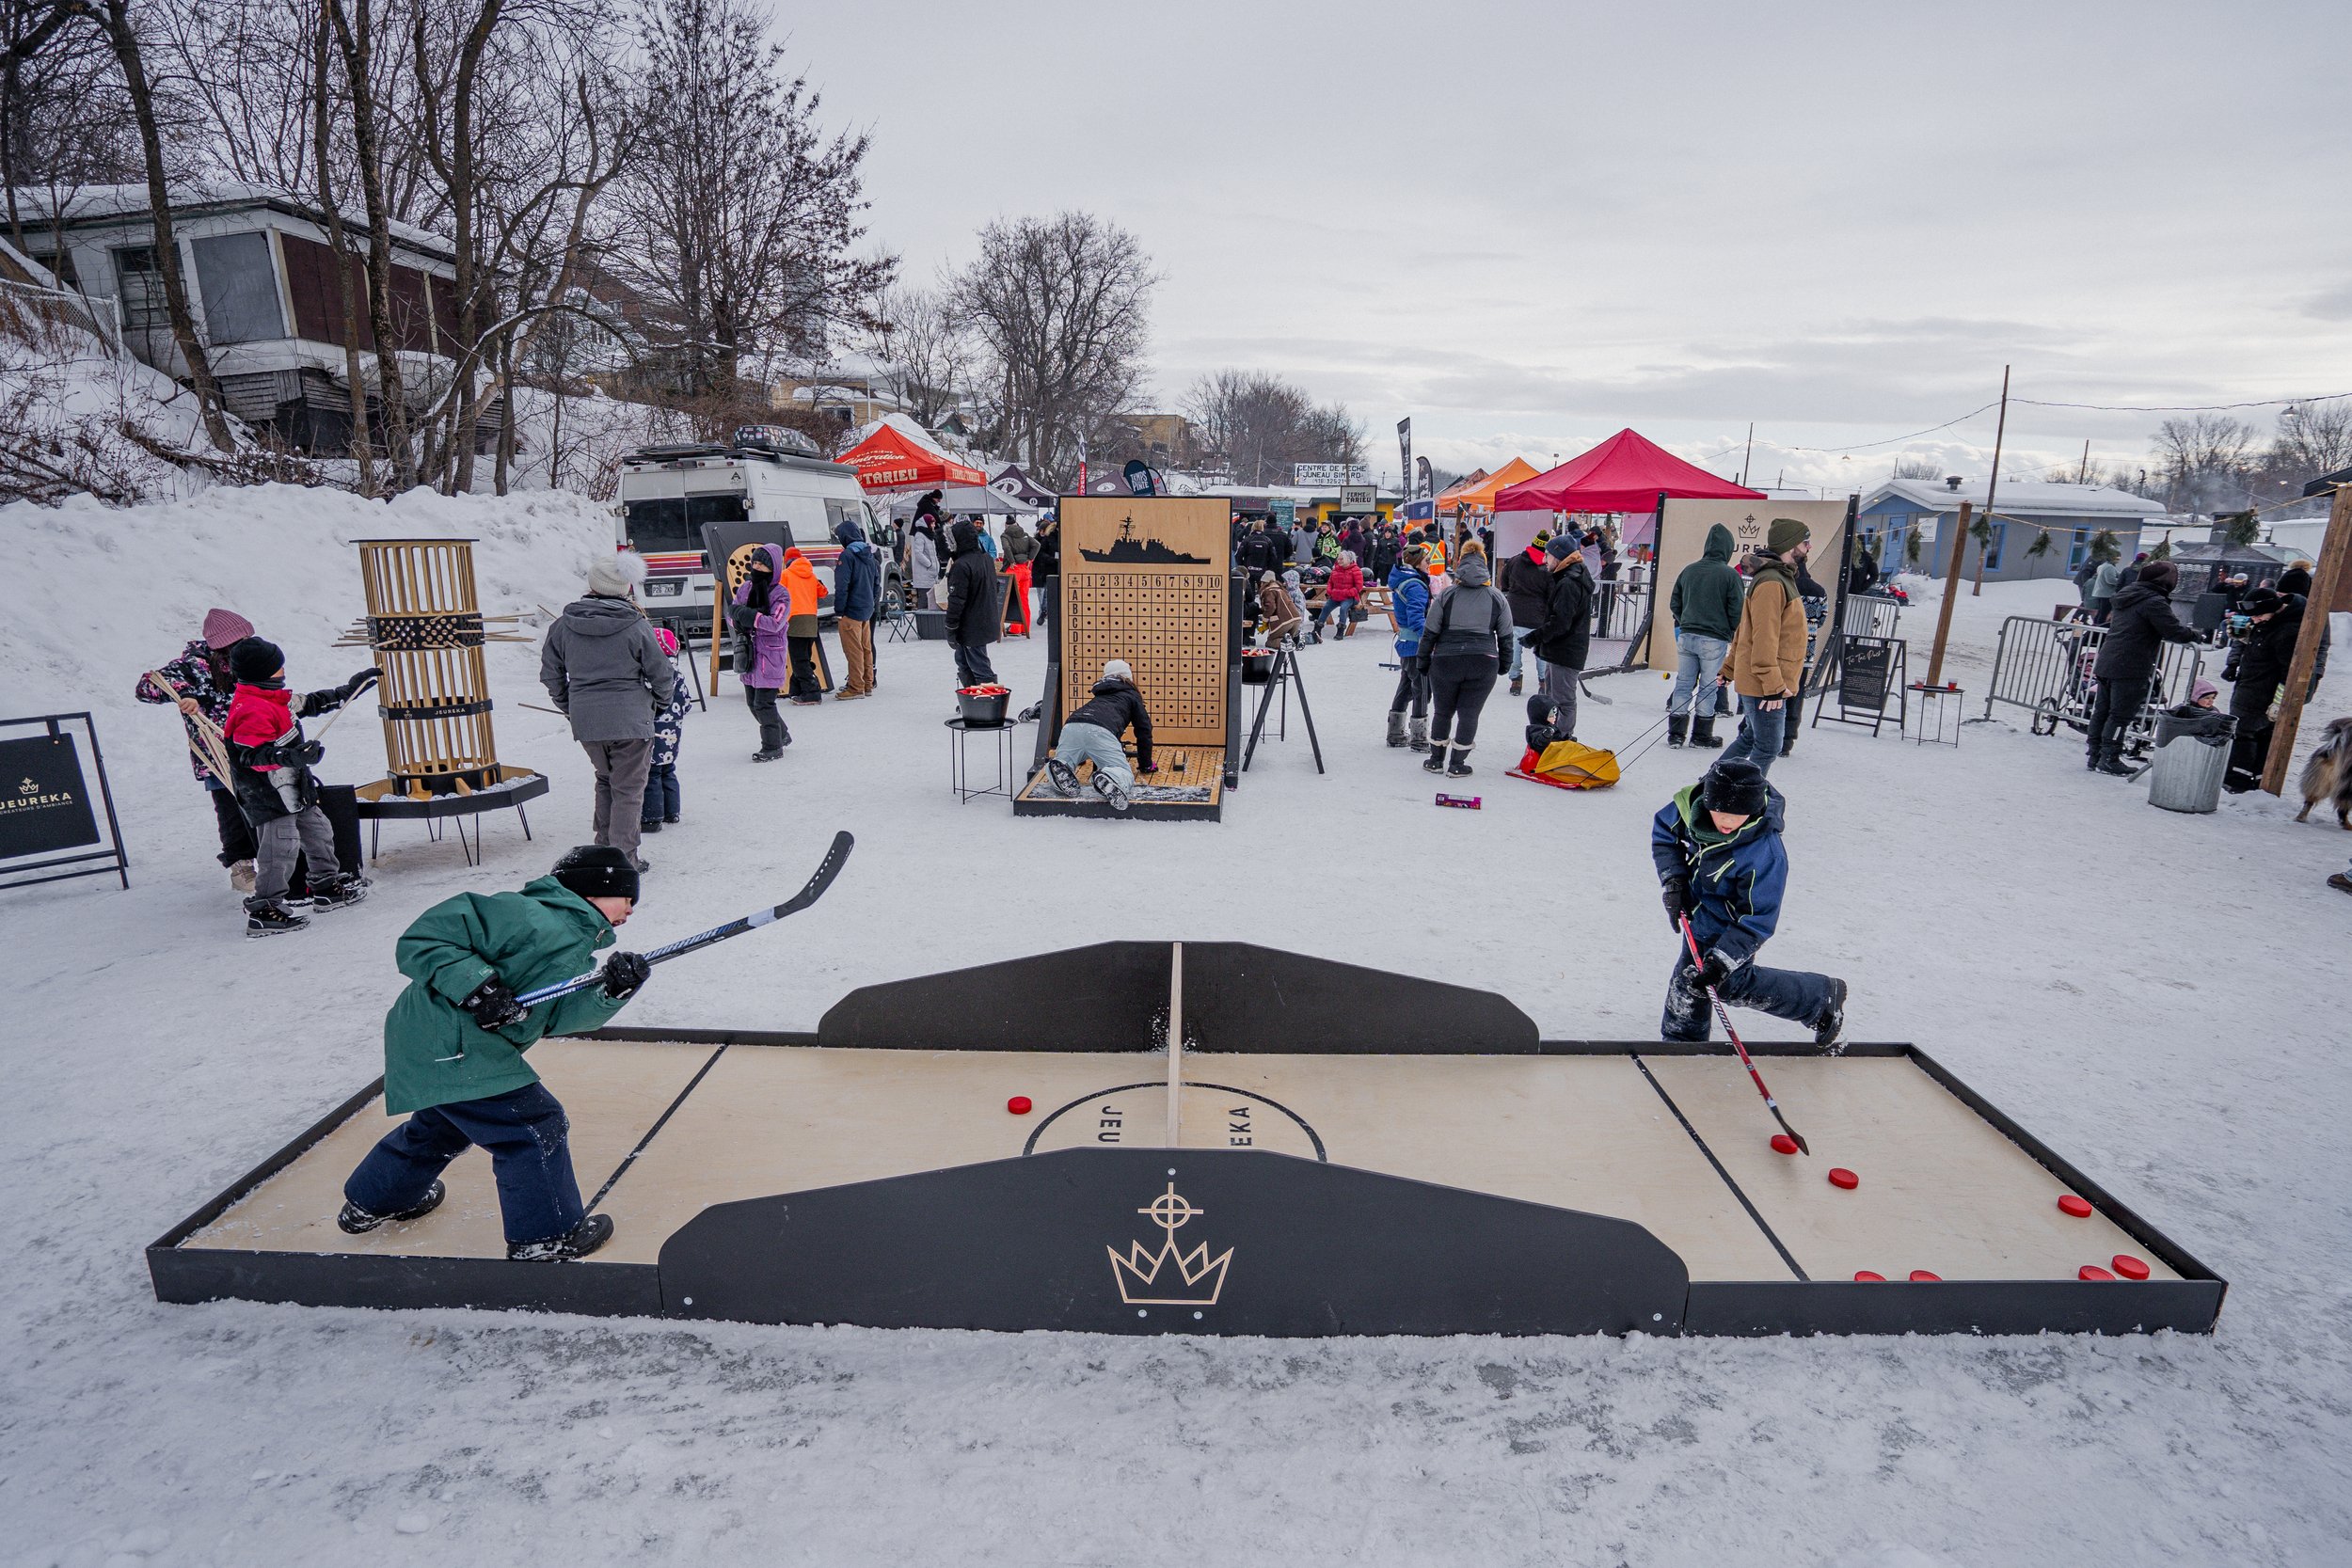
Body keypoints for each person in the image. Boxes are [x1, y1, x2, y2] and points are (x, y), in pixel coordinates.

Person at [336, 845, 652, 1262]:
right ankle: (545, 1236)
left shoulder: (575, 951)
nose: (630, 910)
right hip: (448, 1038)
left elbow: (555, 1018)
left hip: (446, 1045)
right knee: (533, 1126)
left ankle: (374, 1201)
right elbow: (423, 939)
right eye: (626, 898)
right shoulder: (523, 914)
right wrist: (479, 989)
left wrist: (611, 991)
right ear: (592, 889)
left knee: (442, 1126)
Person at [1653, 759, 1847, 1046]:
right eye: (1720, 812)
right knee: (1690, 976)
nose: (1728, 822)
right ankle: (1683, 1041)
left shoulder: (1765, 854)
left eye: (1738, 815)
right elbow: (1664, 835)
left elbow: (1759, 919)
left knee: (1727, 982)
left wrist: (1722, 961)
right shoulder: (1689, 809)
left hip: (1735, 922)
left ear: (1753, 809)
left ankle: (1818, 999)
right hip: (1702, 908)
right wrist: (1674, 880)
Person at [220, 638, 375, 937]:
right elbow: (251, 756)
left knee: (319, 833)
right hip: (268, 796)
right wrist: (291, 756)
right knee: (280, 849)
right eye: (277, 666)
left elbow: (313, 703)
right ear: (261, 672)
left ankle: (326, 886)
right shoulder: (251, 708)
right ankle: (265, 909)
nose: (282, 670)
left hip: (295, 789)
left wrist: (351, 689)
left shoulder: (275, 699)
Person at [542, 549, 681, 867]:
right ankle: (622, 862)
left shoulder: (563, 625)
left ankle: (603, 852)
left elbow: (550, 675)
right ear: (625, 588)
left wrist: (570, 706)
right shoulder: (635, 624)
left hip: (588, 722)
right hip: (631, 721)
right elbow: (662, 674)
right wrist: (657, 705)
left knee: (606, 780)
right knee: (629, 791)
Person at [135, 607, 260, 891]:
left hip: (254, 745)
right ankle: (241, 867)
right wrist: (184, 693)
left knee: (264, 803)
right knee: (230, 808)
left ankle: (279, 861)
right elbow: (147, 686)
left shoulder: (251, 656)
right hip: (215, 752)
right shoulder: (193, 664)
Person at [2087, 558, 2197, 774]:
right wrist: (2194, 635)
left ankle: (2095, 754)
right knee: (2120, 714)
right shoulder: (2153, 601)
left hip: (2109, 659)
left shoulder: (2128, 595)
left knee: (2103, 710)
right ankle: (2109, 757)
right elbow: (2173, 630)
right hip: (2131, 664)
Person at [1720, 519, 1810, 775]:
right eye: (1805, 543)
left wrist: (1729, 669)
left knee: (1750, 738)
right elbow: (1763, 636)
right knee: (1768, 746)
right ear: (1790, 545)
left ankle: (1712, 788)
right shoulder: (1772, 581)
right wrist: (1773, 687)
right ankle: (1736, 800)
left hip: (1764, 680)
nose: (1808, 547)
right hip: (1766, 683)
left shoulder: (1779, 577)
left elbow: (1745, 631)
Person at [1416, 547, 1515, 777]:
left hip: (1446, 660)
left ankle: (1435, 759)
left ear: (1460, 567)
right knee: (1469, 714)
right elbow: (1506, 635)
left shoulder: (1447, 595)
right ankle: (1458, 763)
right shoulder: (1496, 597)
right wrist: (1505, 664)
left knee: (1442, 711)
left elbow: (1430, 631)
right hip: (1484, 660)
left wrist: (1423, 660)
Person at [1667, 523, 1743, 750]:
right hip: (1714, 638)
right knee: (1708, 687)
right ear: (1728, 548)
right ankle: (1701, 735)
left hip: (1687, 634)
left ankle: (1676, 734)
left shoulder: (1689, 570)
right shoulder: (1730, 575)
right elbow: (1737, 610)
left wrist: (1685, 621)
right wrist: (1730, 632)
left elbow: (1675, 602)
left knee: (1683, 683)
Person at [1043, 658, 1155, 812]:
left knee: (1066, 761)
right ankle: (1110, 776)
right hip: (1100, 730)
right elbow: (1144, 730)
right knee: (1122, 772)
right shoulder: (1132, 695)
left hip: (1072, 725)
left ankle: (1059, 766)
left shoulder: (1100, 694)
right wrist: (1146, 764)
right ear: (1129, 677)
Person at [2225, 585, 2306, 792]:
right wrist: (2243, 639)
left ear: (2272, 608)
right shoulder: (2268, 622)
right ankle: (2244, 780)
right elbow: (2259, 645)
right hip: (2249, 686)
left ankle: (2240, 781)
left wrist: (2279, 702)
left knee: (2247, 736)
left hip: (2262, 693)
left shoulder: (2287, 631)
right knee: (2244, 734)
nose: (2256, 620)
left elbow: (2288, 672)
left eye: (2259, 616)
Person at [1527, 533, 1595, 742]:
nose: (1544, 560)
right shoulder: (1569, 577)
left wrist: (1535, 637)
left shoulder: (1569, 582)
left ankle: (1562, 738)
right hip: (1559, 649)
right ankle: (1553, 735)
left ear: (1558, 556)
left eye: (1547, 555)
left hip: (1565, 650)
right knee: (1552, 696)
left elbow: (1561, 622)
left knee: (1562, 700)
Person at [731, 546, 793, 761]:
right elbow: (733, 613)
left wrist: (749, 616)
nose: (757, 568)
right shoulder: (745, 588)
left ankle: (772, 746)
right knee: (751, 704)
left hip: (769, 656)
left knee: (763, 704)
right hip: (749, 654)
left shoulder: (780, 594)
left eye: (763, 565)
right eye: (755, 563)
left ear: (773, 568)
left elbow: (775, 623)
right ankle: (781, 733)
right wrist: (743, 617)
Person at [640, 627, 689, 835]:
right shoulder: (677, 673)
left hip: (654, 731)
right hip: (673, 732)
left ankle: (651, 818)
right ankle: (672, 812)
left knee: (651, 773)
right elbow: (686, 702)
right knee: (668, 770)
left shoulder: (651, 676)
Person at [943, 518, 1001, 688]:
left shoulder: (962, 565)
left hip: (972, 624)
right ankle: (972, 697)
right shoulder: (986, 559)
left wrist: (951, 627)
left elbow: (956, 601)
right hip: (983, 619)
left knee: (979, 664)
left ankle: (988, 703)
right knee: (963, 659)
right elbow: (994, 588)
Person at [1386, 545, 1434, 750]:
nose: (1429, 564)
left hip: (1406, 643)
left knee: (1406, 688)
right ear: (1416, 563)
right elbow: (1417, 619)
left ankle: (1395, 734)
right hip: (1416, 645)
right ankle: (1419, 738)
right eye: (1427, 560)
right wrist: (1430, 640)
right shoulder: (1415, 585)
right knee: (1422, 690)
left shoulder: (1404, 580)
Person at [831, 518, 882, 699]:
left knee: (853, 650)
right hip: (867, 609)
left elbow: (842, 585)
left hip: (851, 610)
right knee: (865, 648)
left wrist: (839, 610)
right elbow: (877, 583)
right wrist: (872, 602)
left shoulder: (847, 555)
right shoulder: (870, 554)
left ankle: (855, 687)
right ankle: (867, 683)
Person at [1499, 532, 1552, 696]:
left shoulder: (1515, 561)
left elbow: (1504, 581)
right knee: (1541, 651)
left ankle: (1515, 681)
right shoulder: (1547, 567)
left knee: (1514, 649)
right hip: (1539, 616)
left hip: (1515, 613)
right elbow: (1552, 592)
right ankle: (1544, 683)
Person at [777, 546, 824, 705]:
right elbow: (823, 592)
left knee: (799, 660)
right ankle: (796, 690)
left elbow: (777, 594)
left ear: (787, 560)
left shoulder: (786, 574)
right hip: (811, 621)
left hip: (795, 620)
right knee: (804, 657)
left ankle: (811, 693)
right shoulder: (811, 575)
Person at [1315, 550, 1365, 641]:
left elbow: (1359, 587)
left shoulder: (1356, 570)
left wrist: (1347, 593)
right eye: (1338, 559)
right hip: (1336, 595)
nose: (1339, 561)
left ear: (1348, 559)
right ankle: (1317, 629)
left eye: (1342, 559)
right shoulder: (1335, 569)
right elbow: (1330, 583)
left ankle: (1340, 630)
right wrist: (1330, 591)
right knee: (1326, 607)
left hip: (1350, 597)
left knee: (1343, 608)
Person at [1001, 515, 1037, 635]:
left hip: (1013, 570)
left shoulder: (1005, 535)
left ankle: (1015, 629)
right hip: (1025, 571)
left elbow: (1006, 547)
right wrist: (1030, 559)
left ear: (1006, 525)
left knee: (1012, 600)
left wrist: (1011, 561)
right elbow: (1037, 545)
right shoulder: (1024, 534)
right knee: (1024, 599)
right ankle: (1024, 628)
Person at [1259, 569, 1304, 647]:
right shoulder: (1283, 590)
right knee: (1288, 636)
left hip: (1284, 621)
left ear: (1264, 582)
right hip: (1296, 618)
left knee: (1270, 642)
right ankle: (1296, 639)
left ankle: (1285, 642)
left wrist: (1265, 618)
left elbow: (1271, 607)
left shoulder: (1269, 591)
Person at [908, 519, 942, 610]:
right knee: (924, 604)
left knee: (931, 604)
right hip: (924, 576)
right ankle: (922, 623)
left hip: (930, 575)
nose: (934, 525)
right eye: (932, 523)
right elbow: (918, 553)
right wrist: (930, 565)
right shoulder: (920, 535)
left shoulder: (930, 536)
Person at [2089, 553, 2124, 625]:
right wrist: (2121, 582)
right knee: (2104, 613)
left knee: (2100, 612)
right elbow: (2110, 580)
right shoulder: (2109, 567)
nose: (2118, 561)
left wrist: (2124, 575)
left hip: (2100, 592)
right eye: (2117, 559)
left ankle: (2095, 625)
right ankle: (2099, 627)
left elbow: (2119, 574)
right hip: (2106, 594)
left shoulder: (2102, 566)